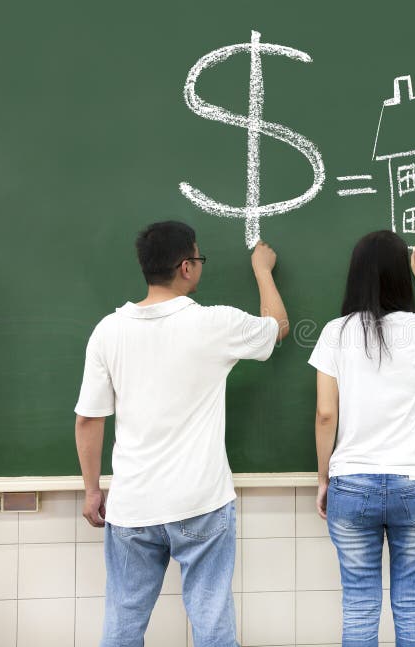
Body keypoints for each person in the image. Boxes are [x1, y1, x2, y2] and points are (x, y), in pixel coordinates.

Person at [74, 221, 288, 647]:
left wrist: (92, 490)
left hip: (133, 504)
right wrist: (263, 271)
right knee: (211, 621)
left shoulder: (108, 331)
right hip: (200, 502)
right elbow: (277, 326)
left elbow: (88, 420)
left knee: (123, 621)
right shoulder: (214, 324)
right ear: (187, 266)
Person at [308, 231, 415, 647]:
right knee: (412, 604)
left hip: (351, 482)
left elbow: (324, 414)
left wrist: (324, 479)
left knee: (358, 606)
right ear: (400, 278)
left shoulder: (335, 332)